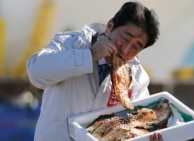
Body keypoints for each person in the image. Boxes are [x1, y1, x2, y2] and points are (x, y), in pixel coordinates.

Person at [26, 1, 162, 141]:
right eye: (125, 38)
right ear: (110, 26)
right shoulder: (70, 44)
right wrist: (89, 55)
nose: (126, 49)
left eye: (136, 47)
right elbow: (35, 72)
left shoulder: (137, 78)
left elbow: (136, 125)